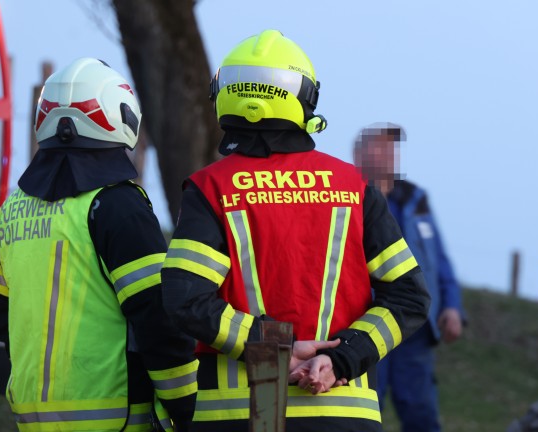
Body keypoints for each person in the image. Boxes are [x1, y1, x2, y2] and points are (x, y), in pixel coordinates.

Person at [160, 30, 430, 432]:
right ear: (304, 98)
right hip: (343, 416)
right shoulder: (354, 188)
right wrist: (342, 359)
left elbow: (185, 299)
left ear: (223, 94)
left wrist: (276, 346)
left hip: (240, 417)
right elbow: (410, 298)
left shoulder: (211, 189)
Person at [0, 58, 198, 432]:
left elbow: (0, 318)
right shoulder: (118, 205)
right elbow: (156, 319)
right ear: (121, 116)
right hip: (117, 421)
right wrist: (186, 408)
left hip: (33, 421)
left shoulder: (11, 211)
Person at [354, 122, 464, 432]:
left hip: (415, 325)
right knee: (364, 412)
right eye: (380, 146)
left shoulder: (416, 200)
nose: (388, 154)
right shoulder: (346, 197)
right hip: (366, 325)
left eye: (392, 148)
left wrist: (452, 306)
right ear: (359, 153)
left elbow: (438, 258)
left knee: (421, 414)